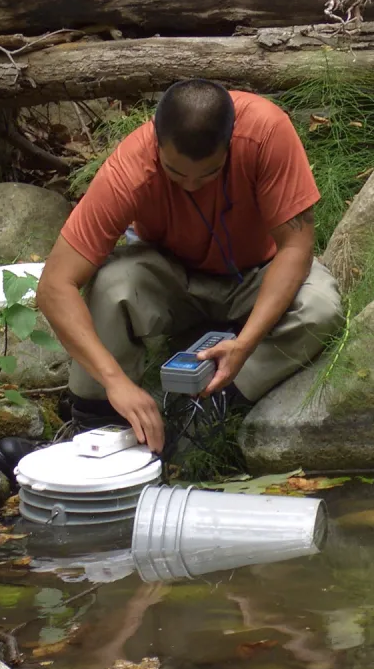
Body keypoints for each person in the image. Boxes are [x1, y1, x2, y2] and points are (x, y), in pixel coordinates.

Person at [36, 79, 343, 454]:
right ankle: (95, 424)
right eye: (176, 173)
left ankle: (207, 407)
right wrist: (115, 380)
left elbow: (296, 246)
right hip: (174, 277)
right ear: (156, 142)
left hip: (256, 276)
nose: (193, 186)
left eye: (209, 174)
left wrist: (245, 345)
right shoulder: (130, 167)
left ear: (230, 143)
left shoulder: (266, 132)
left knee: (320, 306)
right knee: (113, 283)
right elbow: (55, 285)